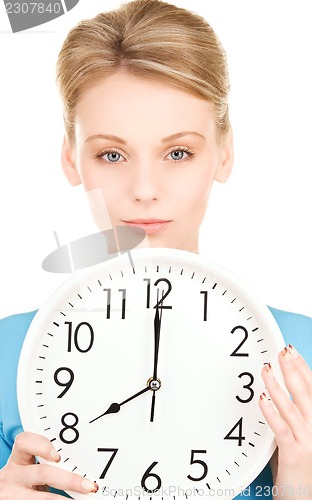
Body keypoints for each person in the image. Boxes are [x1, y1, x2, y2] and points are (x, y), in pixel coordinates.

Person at [0, 0, 312, 498]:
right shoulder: (8, 355)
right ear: (70, 158)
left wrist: (298, 485)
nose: (144, 188)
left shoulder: (303, 355)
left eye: (178, 152)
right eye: (112, 154)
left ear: (224, 152)